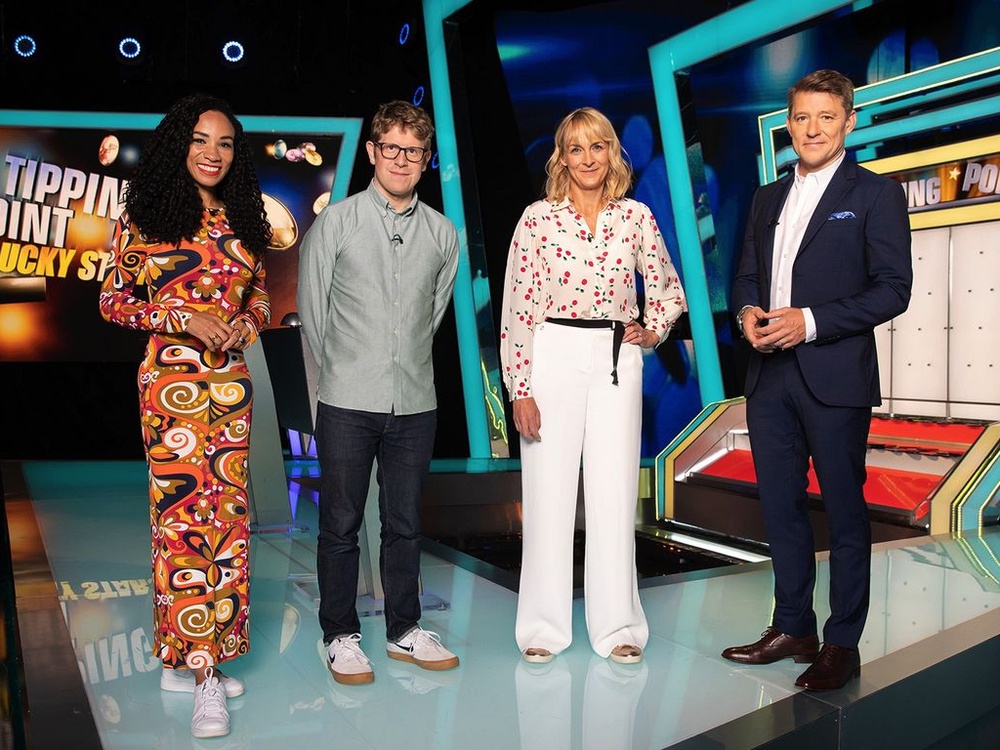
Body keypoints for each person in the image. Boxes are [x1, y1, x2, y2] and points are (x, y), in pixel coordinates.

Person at [723, 69, 912, 690]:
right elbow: (746, 276)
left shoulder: (877, 193)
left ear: (848, 122)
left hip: (833, 378)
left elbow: (893, 290)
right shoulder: (765, 197)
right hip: (769, 377)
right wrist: (749, 315)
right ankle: (794, 625)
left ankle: (842, 642)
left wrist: (809, 322)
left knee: (845, 512)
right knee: (779, 509)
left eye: (826, 117)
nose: (812, 129)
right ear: (789, 122)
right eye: (802, 117)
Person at [99, 94, 273, 738]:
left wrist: (241, 328)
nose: (212, 153)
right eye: (201, 140)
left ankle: (193, 657)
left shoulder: (245, 221)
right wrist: (180, 317)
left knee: (226, 526)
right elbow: (113, 302)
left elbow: (259, 304)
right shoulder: (141, 216)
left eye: (225, 143)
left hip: (230, 389)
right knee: (179, 524)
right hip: (169, 385)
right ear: (180, 143)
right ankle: (203, 676)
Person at [499, 107, 686, 665]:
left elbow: (668, 288)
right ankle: (542, 628)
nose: (587, 158)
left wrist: (653, 331)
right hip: (551, 353)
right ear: (562, 157)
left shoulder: (635, 217)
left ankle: (618, 628)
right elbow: (518, 308)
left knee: (612, 494)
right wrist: (519, 388)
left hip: (615, 358)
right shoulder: (537, 219)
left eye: (597, 147)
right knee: (548, 493)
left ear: (612, 153)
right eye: (575, 149)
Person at [297, 100, 461, 686]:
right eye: (390, 148)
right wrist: (345, 373)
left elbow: (431, 315)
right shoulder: (336, 223)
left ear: (425, 161)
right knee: (340, 524)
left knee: (406, 524)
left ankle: (404, 630)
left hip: (415, 401)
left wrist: (399, 362)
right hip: (346, 398)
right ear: (371, 152)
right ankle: (339, 635)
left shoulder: (444, 235)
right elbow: (314, 319)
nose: (401, 160)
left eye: (413, 151)